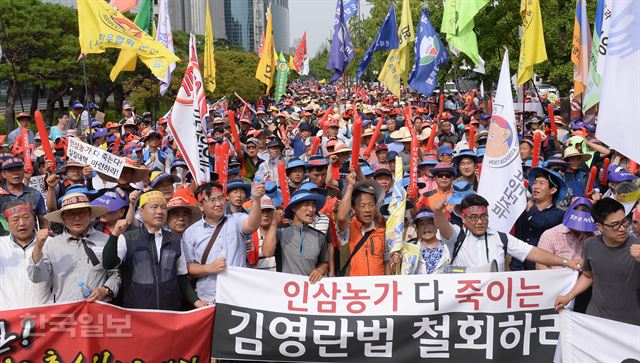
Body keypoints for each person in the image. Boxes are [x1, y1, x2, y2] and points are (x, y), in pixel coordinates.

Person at [102, 190, 206, 310]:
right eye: (154, 207)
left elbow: (181, 276)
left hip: (168, 312)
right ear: (141, 211)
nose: (159, 211)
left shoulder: (175, 239)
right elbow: (108, 263)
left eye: (163, 207)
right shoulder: (127, 238)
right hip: (137, 311)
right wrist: (114, 235)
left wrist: (196, 301)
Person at [433, 194, 583, 272]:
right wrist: (437, 213)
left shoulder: (500, 238)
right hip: (463, 304)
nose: (479, 222)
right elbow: (443, 228)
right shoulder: (457, 236)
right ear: (463, 218)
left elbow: (532, 252)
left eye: (483, 216)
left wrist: (566, 262)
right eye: (473, 217)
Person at [555, 198, 640, 325]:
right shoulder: (590, 244)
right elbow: (588, 276)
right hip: (596, 320)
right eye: (615, 225)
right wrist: (568, 296)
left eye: (624, 222)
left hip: (630, 323)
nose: (622, 228)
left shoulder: (637, 247)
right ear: (599, 226)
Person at [181, 181, 264, 304]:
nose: (218, 204)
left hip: (238, 295)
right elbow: (188, 267)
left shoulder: (236, 219)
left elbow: (252, 225)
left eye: (221, 198)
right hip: (208, 297)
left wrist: (256, 200)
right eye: (212, 200)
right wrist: (209, 268)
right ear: (201, 206)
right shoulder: (191, 232)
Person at [28, 193, 120, 303]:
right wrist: (38, 247)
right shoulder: (51, 245)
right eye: (71, 215)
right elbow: (37, 277)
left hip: (96, 311)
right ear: (63, 218)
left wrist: (105, 290)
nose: (77, 219)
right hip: (65, 311)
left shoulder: (106, 241)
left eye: (82, 214)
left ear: (90, 215)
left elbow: (115, 274)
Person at [537, 197, 598, 313]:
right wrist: (559, 281)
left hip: (587, 291)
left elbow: (601, 262)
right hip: (556, 290)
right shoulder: (551, 234)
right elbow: (540, 264)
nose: (578, 229)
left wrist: (590, 238)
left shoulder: (596, 235)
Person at [262, 190, 329, 282]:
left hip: (308, 290)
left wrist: (320, 270)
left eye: (313, 205)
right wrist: (274, 224)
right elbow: (267, 253)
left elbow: (324, 262)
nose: (312, 209)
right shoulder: (280, 231)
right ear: (294, 208)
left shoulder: (319, 236)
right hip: (284, 289)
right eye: (306, 204)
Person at [511, 167, 566, 271]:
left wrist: (531, 207)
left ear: (553, 190)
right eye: (535, 183)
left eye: (541, 183)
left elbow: (540, 222)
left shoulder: (558, 214)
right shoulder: (522, 210)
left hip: (544, 269)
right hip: (520, 268)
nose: (535, 187)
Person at [0, 201, 51, 308]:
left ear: (34, 218)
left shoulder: (50, 243)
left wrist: (39, 246)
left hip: (43, 315)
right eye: (15, 219)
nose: (22, 223)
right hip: (8, 317)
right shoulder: (1, 245)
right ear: (7, 223)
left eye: (26, 217)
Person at [336, 174, 389, 276]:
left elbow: (386, 262)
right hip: (355, 288)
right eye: (362, 205)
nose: (367, 210)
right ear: (354, 208)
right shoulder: (348, 229)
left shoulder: (382, 231)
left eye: (371, 205)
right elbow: (342, 217)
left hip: (379, 288)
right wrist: (350, 186)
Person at [391, 209, 451, 275]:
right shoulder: (408, 249)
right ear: (416, 229)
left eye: (430, 223)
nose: (426, 227)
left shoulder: (448, 247)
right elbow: (396, 271)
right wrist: (397, 261)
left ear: (436, 225)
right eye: (422, 224)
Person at [0, 158, 48, 228]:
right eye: (11, 171)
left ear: (23, 171)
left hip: (33, 238)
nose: (15, 173)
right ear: (3, 174)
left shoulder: (35, 194)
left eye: (19, 169)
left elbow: (43, 222)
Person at [246, 196, 278, 271]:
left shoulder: (280, 233)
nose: (265, 214)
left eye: (268, 210)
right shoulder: (248, 236)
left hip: (277, 280)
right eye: (262, 211)